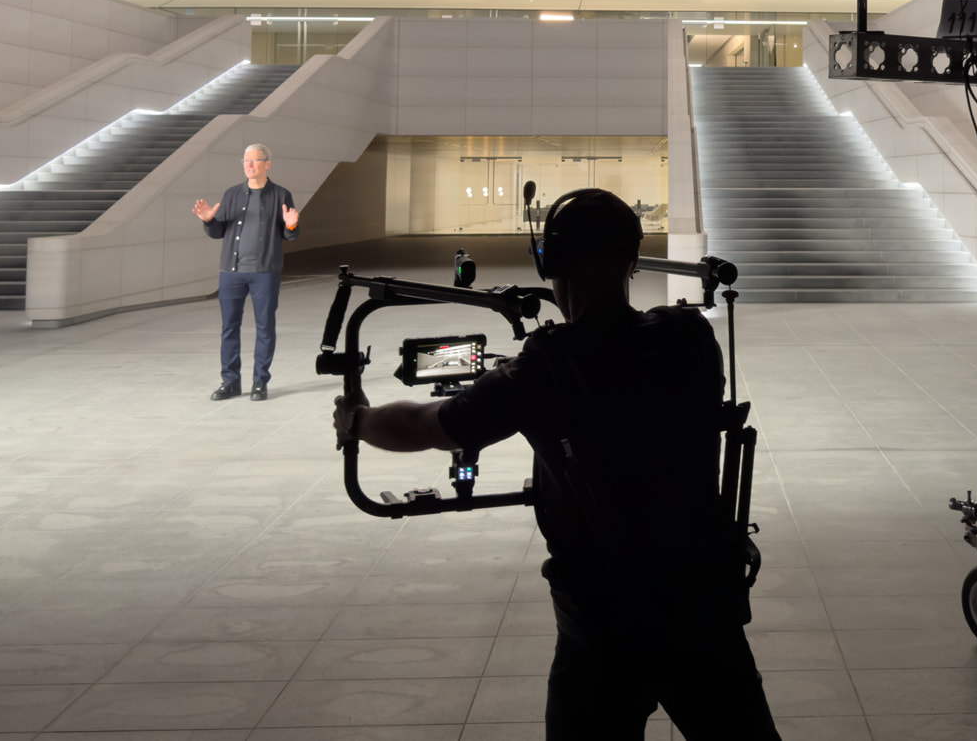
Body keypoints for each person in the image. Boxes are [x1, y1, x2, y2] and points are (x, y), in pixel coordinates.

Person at [334, 188, 780, 741]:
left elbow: (424, 427)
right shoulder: (691, 340)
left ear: (551, 263)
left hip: (602, 623)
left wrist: (357, 420)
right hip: (703, 607)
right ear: (633, 262)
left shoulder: (544, 368)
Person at [195, 144, 299, 402]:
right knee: (229, 327)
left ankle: (260, 381)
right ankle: (230, 381)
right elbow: (219, 232)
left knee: (265, 327)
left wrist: (292, 225)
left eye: (255, 160)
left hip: (265, 272)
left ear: (268, 164)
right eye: (246, 161)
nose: (249, 165)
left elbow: (289, 234)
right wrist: (209, 220)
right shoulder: (232, 194)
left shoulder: (281, 195)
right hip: (231, 272)